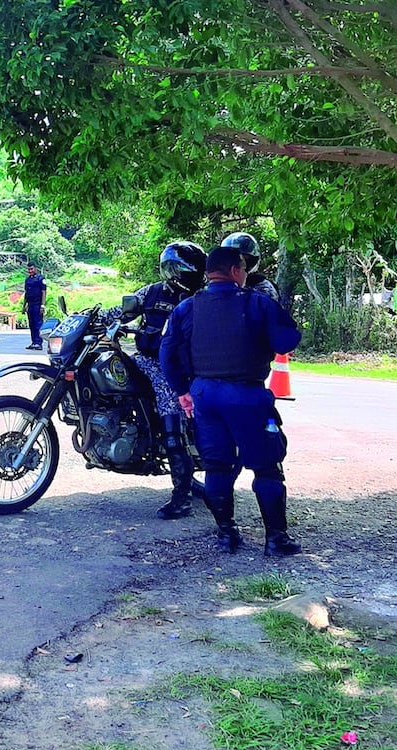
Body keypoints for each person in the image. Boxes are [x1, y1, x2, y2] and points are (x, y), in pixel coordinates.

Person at [160, 246, 303, 555]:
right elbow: (287, 340)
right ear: (237, 271)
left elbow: (167, 352)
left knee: (217, 467)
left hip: (205, 396)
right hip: (247, 395)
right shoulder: (258, 303)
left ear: (209, 273)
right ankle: (276, 539)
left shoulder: (186, 308)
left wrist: (182, 391)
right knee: (267, 468)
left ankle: (227, 534)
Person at [113, 241, 208, 519]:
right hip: (144, 359)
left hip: (176, 368)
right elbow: (121, 310)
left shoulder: (200, 298)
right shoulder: (153, 291)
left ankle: (182, 496)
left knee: (169, 409)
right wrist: (89, 315)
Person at [221, 231, 279, 300]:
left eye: (243, 258)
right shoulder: (223, 284)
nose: (236, 263)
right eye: (231, 258)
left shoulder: (264, 288)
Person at [23, 263, 47, 349]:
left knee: (38, 324)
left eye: (31, 269)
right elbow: (26, 293)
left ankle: (39, 343)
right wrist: (24, 306)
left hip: (38, 305)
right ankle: (33, 342)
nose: (30, 271)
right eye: (29, 269)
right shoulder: (28, 280)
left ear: (35, 268)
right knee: (31, 324)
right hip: (30, 305)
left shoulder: (41, 279)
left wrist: (43, 305)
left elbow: (44, 292)